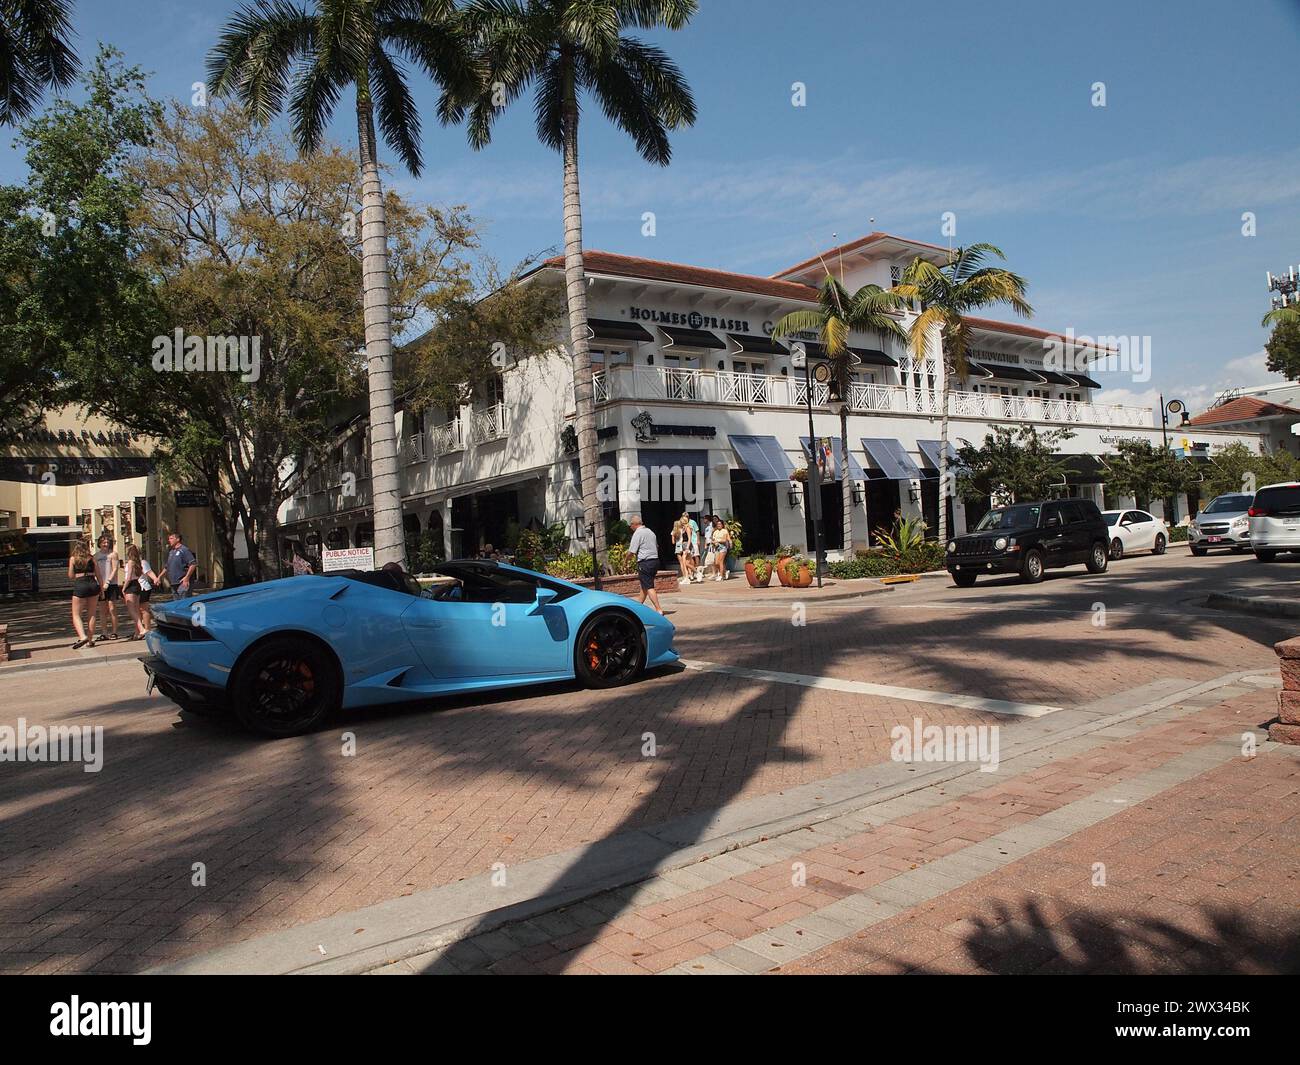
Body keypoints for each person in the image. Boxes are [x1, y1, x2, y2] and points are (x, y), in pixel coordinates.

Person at [627, 513, 664, 615]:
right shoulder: (650, 532)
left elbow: (632, 551)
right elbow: (657, 546)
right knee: (645, 586)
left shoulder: (637, 533)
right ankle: (638, 608)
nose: (631, 528)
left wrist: (626, 560)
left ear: (634, 524)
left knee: (649, 586)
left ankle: (658, 609)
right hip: (655, 561)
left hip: (645, 562)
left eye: (631, 525)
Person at [67, 538, 100, 649]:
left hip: (80, 584)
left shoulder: (73, 559)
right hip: (93, 584)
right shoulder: (92, 558)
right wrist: (102, 590)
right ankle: (90, 640)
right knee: (92, 613)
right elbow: (98, 574)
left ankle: (82, 636)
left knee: (76, 614)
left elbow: (71, 575)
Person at [92, 533, 122, 640]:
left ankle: (114, 631)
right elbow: (95, 571)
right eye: (103, 542)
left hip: (111, 584)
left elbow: (115, 569)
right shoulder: (96, 556)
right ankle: (104, 632)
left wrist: (108, 581)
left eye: (107, 542)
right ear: (99, 543)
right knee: (102, 610)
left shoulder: (113, 554)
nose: (105, 544)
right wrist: (100, 583)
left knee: (112, 608)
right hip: (100, 584)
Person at [164, 531, 197, 599]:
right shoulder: (171, 552)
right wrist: (158, 577)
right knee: (177, 604)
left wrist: (187, 578)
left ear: (178, 539)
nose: (169, 540)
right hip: (173, 583)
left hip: (182, 582)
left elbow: (193, 564)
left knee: (184, 602)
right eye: (169, 539)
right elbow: (167, 567)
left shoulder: (184, 550)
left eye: (171, 538)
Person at [711, 517, 732, 581]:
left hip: (723, 547)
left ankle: (721, 575)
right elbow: (712, 539)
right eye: (718, 524)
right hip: (717, 547)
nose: (719, 525)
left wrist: (730, 543)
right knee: (717, 562)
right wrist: (714, 542)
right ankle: (725, 572)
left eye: (720, 524)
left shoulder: (724, 531)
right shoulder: (715, 532)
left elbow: (725, 539)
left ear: (722, 525)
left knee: (721, 562)